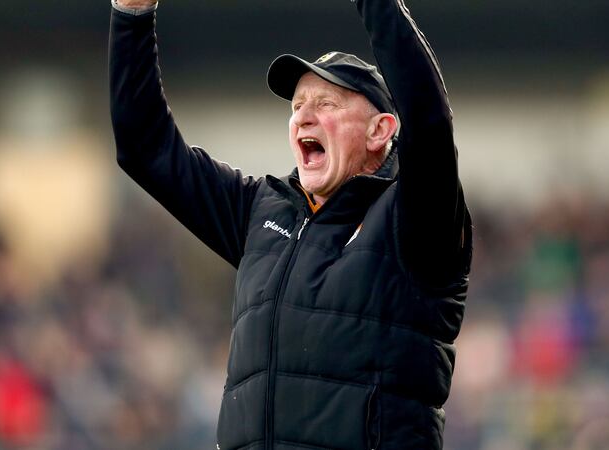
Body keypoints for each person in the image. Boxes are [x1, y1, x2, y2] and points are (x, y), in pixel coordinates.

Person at [109, 0, 473, 448]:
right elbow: (146, 149)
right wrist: (131, 14)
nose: (303, 115)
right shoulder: (260, 210)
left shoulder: (415, 218)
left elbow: (429, 121)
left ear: (380, 130)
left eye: (326, 103)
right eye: (298, 105)